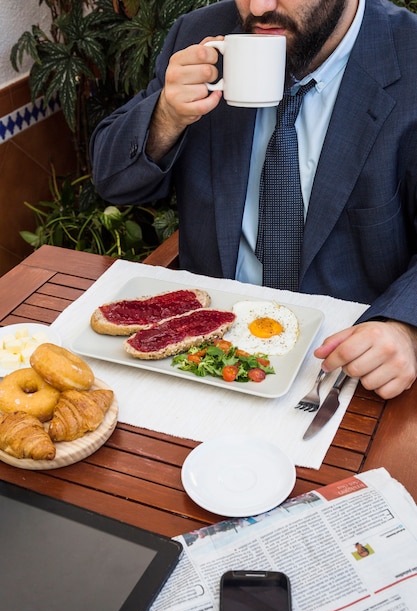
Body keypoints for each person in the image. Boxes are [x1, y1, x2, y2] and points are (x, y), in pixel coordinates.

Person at [90, 0, 417, 400]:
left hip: (344, 366)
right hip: (205, 353)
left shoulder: (410, 54)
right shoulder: (201, 34)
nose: (258, 7)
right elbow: (114, 183)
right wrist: (166, 116)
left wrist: (405, 328)